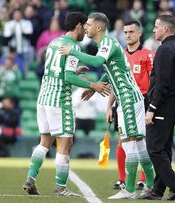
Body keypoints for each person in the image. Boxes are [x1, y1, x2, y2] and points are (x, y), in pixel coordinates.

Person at [59, 12, 155, 200]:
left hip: (127, 97)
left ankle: (129, 189)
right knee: (139, 144)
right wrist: (94, 89)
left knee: (129, 144)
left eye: (88, 24)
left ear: (99, 27)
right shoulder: (108, 44)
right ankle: (151, 185)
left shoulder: (108, 43)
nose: (85, 27)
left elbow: (98, 62)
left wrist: (73, 52)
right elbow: (112, 70)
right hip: (130, 96)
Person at [21, 12, 110, 196]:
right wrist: (92, 84)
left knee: (44, 142)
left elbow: (57, 70)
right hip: (59, 100)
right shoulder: (72, 46)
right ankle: (60, 188)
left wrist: (75, 70)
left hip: (44, 97)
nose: (85, 30)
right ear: (78, 25)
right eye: (84, 26)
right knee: (65, 143)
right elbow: (67, 77)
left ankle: (30, 179)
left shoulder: (54, 42)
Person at [139, 14, 175, 201]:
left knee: (153, 149)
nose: (153, 30)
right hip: (172, 104)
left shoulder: (164, 50)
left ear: (165, 29)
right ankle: (157, 191)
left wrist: (152, 108)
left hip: (161, 105)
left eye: (156, 26)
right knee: (164, 148)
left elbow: (161, 84)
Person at [111, 20, 154, 190]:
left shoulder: (147, 54)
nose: (128, 35)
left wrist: (152, 105)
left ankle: (143, 179)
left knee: (143, 140)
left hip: (143, 100)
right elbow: (115, 83)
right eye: (126, 32)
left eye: (131, 32)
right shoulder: (120, 55)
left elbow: (154, 81)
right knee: (123, 141)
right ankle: (122, 179)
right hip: (122, 101)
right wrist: (110, 106)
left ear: (139, 34)